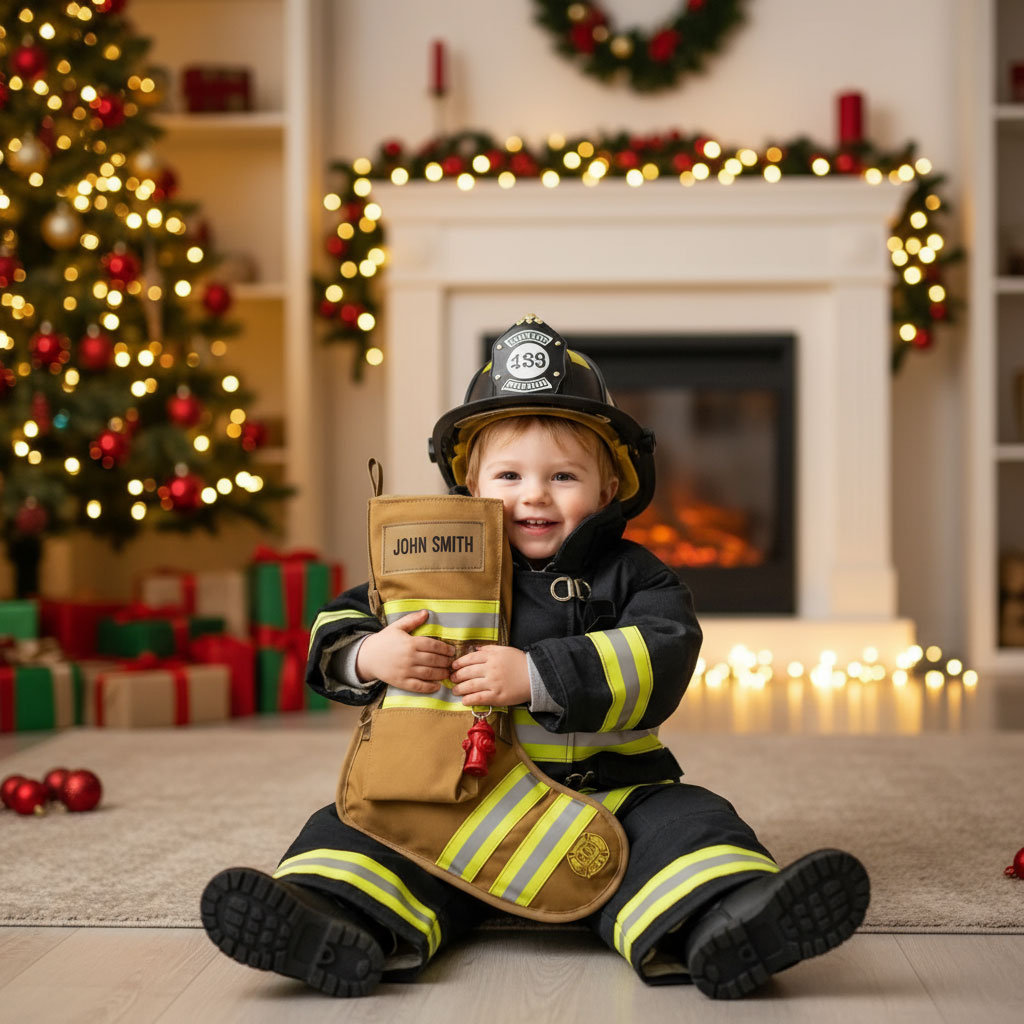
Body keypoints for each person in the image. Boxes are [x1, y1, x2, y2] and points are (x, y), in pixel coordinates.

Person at [201, 315, 869, 1000]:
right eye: (510, 474)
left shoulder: (635, 575)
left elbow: (667, 650)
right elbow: (339, 619)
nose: (534, 495)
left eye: (563, 476)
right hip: (451, 804)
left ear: (610, 487)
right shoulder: (430, 565)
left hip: (608, 795)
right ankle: (322, 919)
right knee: (355, 828)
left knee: (693, 823)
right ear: (469, 483)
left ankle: (732, 922)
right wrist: (372, 654)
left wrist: (537, 674)